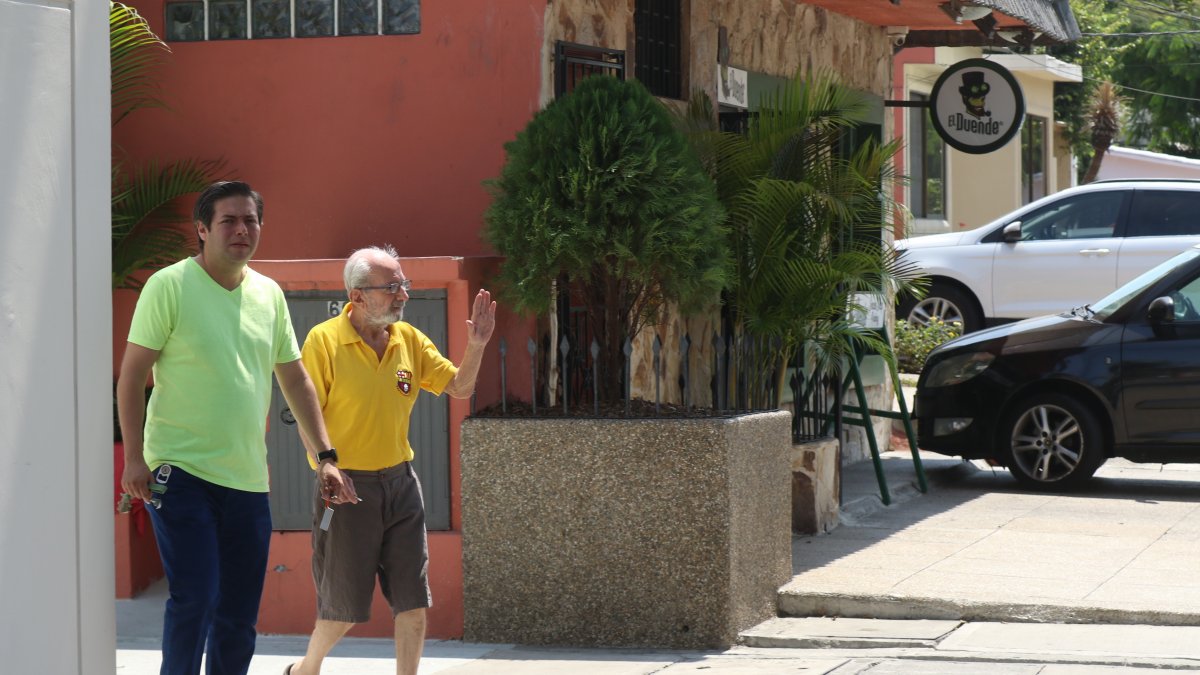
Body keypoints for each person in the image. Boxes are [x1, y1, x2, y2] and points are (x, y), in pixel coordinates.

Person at [117, 181, 356, 675]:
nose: (241, 230)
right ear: (202, 230)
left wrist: (326, 458)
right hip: (178, 472)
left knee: (238, 616)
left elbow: (294, 376)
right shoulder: (169, 285)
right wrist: (135, 458)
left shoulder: (268, 294)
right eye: (228, 221)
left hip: (247, 481)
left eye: (250, 220)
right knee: (196, 597)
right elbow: (133, 375)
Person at [287, 245, 496, 675]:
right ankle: (306, 669)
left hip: (401, 485)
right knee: (342, 608)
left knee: (413, 602)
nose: (403, 295)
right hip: (344, 490)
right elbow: (308, 417)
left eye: (405, 284)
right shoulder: (324, 341)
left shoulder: (409, 340)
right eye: (392, 286)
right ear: (358, 295)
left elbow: (458, 388)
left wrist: (476, 346)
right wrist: (325, 465)